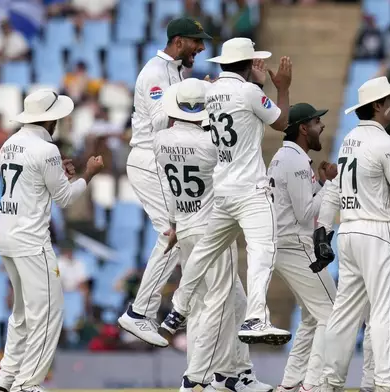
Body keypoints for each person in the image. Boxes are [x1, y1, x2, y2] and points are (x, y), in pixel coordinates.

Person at [153, 37, 293, 346]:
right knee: (262, 250)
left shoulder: (212, 91)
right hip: (251, 190)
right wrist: (282, 87)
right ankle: (256, 318)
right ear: (247, 64)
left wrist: (256, 85)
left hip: (222, 190)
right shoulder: (249, 92)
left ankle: (177, 310)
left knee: (204, 252)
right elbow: (282, 122)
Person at [153, 78, 271, 392]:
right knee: (217, 304)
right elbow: (232, 149)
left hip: (185, 225)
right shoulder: (210, 144)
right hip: (211, 228)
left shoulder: (160, 140)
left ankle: (237, 375)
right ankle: (197, 379)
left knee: (236, 303)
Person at [0, 89, 104, 392]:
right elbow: (65, 198)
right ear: (51, 118)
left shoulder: (9, 144)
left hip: (6, 234)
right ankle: (27, 384)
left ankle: (6, 379)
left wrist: (59, 171)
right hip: (30, 240)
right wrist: (89, 173)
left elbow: (33, 182)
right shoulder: (46, 150)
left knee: (22, 313)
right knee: (49, 313)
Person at [117, 16, 212, 347]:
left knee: (184, 236)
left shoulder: (175, 71)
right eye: (196, 41)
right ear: (179, 41)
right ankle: (139, 312)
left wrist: (199, 95)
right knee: (174, 235)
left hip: (162, 159)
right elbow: (160, 122)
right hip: (148, 159)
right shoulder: (155, 73)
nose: (200, 47)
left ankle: (188, 319)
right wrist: (192, 98)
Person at [318, 76, 390, 392]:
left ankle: (329, 381)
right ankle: (387, 383)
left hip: (348, 230)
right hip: (376, 230)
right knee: (386, 312)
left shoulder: (349, 139)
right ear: (377, 106)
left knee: (344, 314)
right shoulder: (385, 143)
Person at [266, 103, 338, 392]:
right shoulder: (295, 161)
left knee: (311, 316)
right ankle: (312, 385)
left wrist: (320, 183)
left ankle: (290, 384)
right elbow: (306, 214)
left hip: (285, 243)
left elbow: (301, 203)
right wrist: (332, 185)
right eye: (317, 122)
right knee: (332, 315)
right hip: (296, 246)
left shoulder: (286, 156)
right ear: (303, 128)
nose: (322, 127)